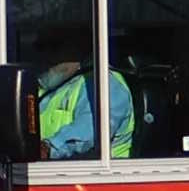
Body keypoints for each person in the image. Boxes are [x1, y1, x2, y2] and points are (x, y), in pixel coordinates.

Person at [31, 26, 136, 161]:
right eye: (40, 47)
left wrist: (48, 148)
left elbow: (92, 130)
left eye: (54, 46)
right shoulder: (49, 87)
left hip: (98, 177)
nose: (46, 54)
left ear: (81, 44)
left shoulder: (104, 83)